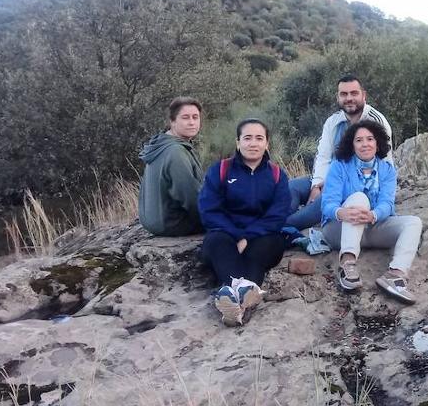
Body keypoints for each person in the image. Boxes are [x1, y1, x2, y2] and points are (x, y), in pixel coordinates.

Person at [197, 119, 293, 327]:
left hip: (261, 237)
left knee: (266, 247)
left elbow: (277, 215)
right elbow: (209, 210)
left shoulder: (277, 175)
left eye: (259, 138)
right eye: (247, 138)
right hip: (225, 234)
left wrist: (247, 237)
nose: (253, 143)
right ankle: (244, 301)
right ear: (238, 142)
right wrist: (236, 235)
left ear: (267, 144)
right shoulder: (220, 170)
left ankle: (231, 298)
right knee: (216, 243)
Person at [320, 120, 423, 303]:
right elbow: (327, 204)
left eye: (370, 139)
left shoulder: (387, 170)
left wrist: (373, 215)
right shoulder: (340, 166)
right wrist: (341, 212)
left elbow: (387, 204)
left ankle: (395, 275)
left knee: (414, 222)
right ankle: (348, 264)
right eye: (359, 140)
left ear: (378, 143)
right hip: (340, 229)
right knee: (360, 197)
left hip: (371, 228)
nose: (365, 144)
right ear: (352, 144)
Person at [287, 74, 394, 230]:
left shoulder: (376, 121)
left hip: (356, 184)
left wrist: (330, 185)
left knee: (321, 202)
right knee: (292, 187)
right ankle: (276, 218)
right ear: (338, 97)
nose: (349, 98)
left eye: (354, 93)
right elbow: (323, 156)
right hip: (332, 174)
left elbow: (384, 160)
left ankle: (280, 227)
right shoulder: (333, 122)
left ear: (364, 95)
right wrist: (316, 185)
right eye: (344, 94)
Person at [138, 97, 204, 237]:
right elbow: (189, 197)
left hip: (154, 222)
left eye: (195, 117)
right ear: (172, 121)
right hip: (173, 224)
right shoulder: (175, 152)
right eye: (185, 117)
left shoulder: (161, 145)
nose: (192, 122)